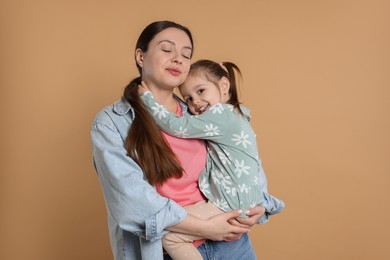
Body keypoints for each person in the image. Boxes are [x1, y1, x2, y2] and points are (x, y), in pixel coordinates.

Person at [91, 21, 280, 260]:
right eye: (167, 49)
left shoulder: (200, 112)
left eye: (186, 54)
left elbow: (243, 156)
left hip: (232, 245)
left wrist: (259, 204)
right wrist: (206, 228)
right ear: (141, 56)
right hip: (169, 250)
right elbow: (131, 202)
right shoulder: (111, 123)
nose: (178, 59)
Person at [138, 59, 284, 259]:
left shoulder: (219, 114)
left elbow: (175, 126)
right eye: (188, 98)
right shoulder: (238, 114)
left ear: (224, 86)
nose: (195, 102)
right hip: (246, 203)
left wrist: (147, 99)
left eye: (200, 91)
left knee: (170, 237)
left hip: (228, 203)